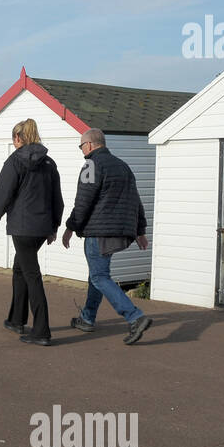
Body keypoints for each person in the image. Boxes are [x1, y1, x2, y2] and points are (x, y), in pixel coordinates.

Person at [61, 128, 153, 344]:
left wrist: (70, 227)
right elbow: (136, 200)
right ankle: (87, 318)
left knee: (99, 276)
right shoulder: (123, 166)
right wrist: (140, 230)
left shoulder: (91, 164)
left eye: (81, 146)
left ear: (90, 145)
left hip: (98, 232)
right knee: (97, 274)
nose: (82, 150)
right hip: (117, 231)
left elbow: (83, 201)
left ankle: (135, 316)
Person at [0, 118, 64, 346]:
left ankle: (41, 331)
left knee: (32, 275)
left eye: (13, 138)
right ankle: (16, 319)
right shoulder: (49, 163)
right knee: (20, 269)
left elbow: (2, 195)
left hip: (23, 227)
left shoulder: (14, 161)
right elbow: (57, 198)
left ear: (18, 138)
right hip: (41, 228)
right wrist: (54, 226)